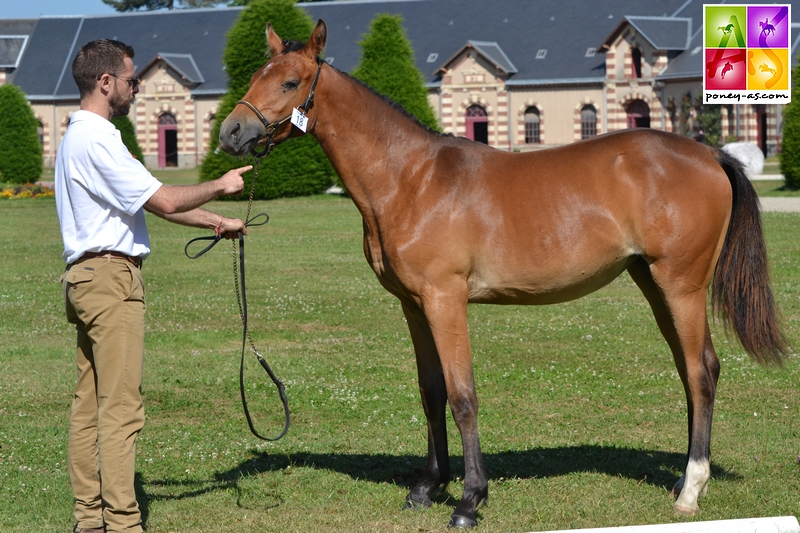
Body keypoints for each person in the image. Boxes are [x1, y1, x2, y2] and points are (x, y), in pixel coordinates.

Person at [55, 38, 251, 533]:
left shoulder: (77, 137)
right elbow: (163, 200)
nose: (135, 88)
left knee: (89, 405)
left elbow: (146, 201)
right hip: (110, 278)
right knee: (120, 410)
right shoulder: (98, 138)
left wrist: (216, 222)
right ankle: (123, 524)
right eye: (130, 80)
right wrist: (221, 184)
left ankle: (89, 520)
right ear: (106, 83)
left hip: (83, 279)